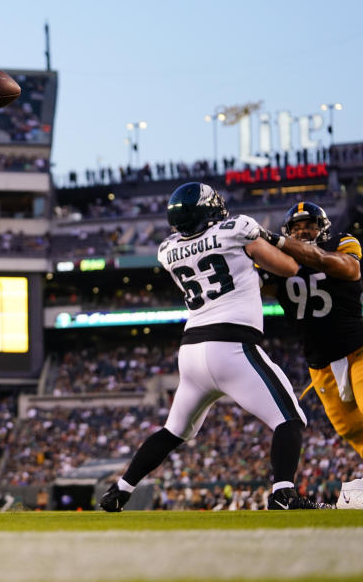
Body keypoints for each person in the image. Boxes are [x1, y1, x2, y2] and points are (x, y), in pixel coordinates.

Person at [99, 182, 319, 512]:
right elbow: (288, 268)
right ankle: (283, 493)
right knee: (290, 419)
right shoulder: (235, 230)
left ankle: (119, 490)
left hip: (191, 352)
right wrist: (263, 242)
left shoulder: (167, 250)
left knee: (173, 431)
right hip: (232, 345)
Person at [258, 202, 363, 507]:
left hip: (357, 349)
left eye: (310, 225)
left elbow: (350, 268)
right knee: (350, 428)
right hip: (320, 364)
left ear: (323, 228)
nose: (303, 230)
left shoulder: (341, 242)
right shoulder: (277, 260)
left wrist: (282, 246)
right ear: (287, 231)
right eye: (296, 227)